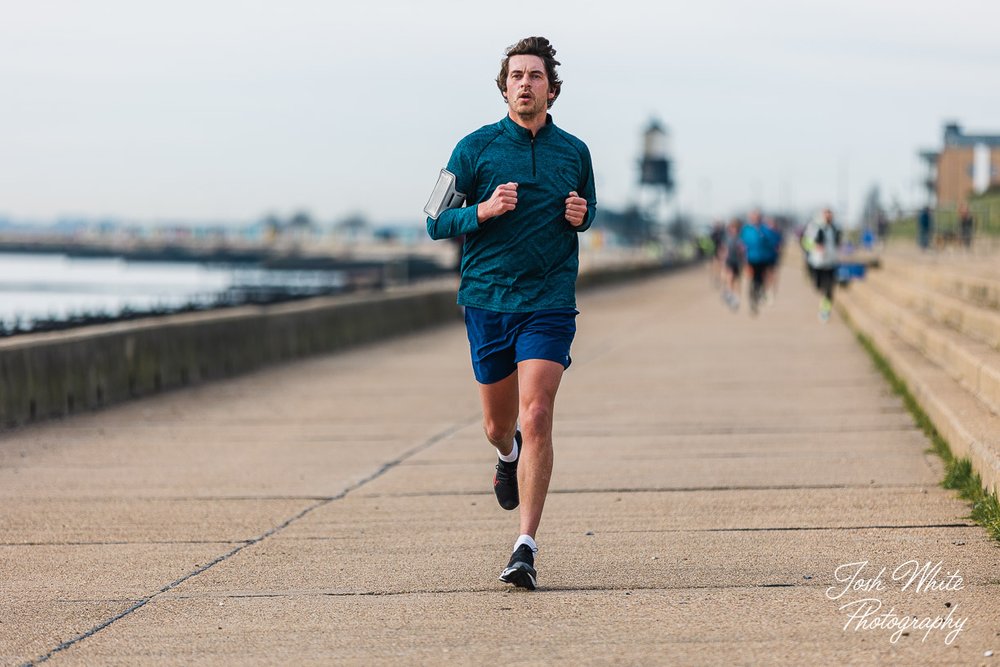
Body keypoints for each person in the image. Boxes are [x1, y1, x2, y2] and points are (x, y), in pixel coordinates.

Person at [425, 36, 596, 590]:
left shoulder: (575, 152)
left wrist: (581, 215)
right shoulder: (473, 150)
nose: (526, 83)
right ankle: (507, 455)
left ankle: (525, 545)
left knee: (538, 412)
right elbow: (434, 221)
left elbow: (587, 209)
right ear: (504, 87)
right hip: (488, 300)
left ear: (552, 87)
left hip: (548, 303)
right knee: (500, 425)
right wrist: (484, 209)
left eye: (535, 75)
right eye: (517, 75)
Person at [739, 209, 778, 315]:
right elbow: (741, 243)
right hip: (751, 259)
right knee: (752, 280)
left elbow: (774, 242)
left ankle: (761, 292)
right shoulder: (746, 229)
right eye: (753, 217)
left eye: (757, 217)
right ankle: (752, 300)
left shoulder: (766, 229)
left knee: (762, 279)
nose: (755, 219)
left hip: (764, 258)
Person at [805, 208, 842, 322]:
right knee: (819, 288)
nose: (828, 217)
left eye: (830, 214)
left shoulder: (836, 228)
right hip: (817, 263)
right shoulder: (814, 227)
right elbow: (806, 242)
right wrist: (815, 247)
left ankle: (825, 311)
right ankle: (824, 303)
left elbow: (838, 243)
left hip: (831, 263)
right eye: (826, 214)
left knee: (829, 290)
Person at [720, 218, 744, 311]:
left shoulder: (741, 237)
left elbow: (744, 250)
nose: (733, 229)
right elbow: (724, 248)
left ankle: (737, 297)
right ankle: (731, 294)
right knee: (730, 277)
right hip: (729, 260)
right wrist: (723, 257)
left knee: (737, 279)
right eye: (732, 227)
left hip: (738, 261)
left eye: (735, 227)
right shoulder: (727, 237)